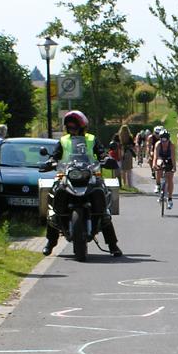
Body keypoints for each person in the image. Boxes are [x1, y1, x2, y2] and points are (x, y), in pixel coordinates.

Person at [43, 110, 122, 257]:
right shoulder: (63, 140)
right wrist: (50, 162)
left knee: (103, 207)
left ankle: (113, 245)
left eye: (74, 126)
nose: (72, 128)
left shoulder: (91, 139)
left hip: (90, 173)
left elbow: (101, 152)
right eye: (69, 126)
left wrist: (105, 158)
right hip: (67, 173)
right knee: (54, 206)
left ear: (82, 126)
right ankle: (50, 242)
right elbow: (55, 156)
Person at [152, 129, 176, 209]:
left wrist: (174, 167)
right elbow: (155, 156)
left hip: (169, 159)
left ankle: (170, 199)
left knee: (170, 178)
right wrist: (154, 164)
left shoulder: (171, 145)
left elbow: (173, 157)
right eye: (162, 140)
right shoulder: (158, 144)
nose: (164, 142)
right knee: (159, 165)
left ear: (168, 139)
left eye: (165, 140)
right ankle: (158, 184)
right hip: (161, 158)